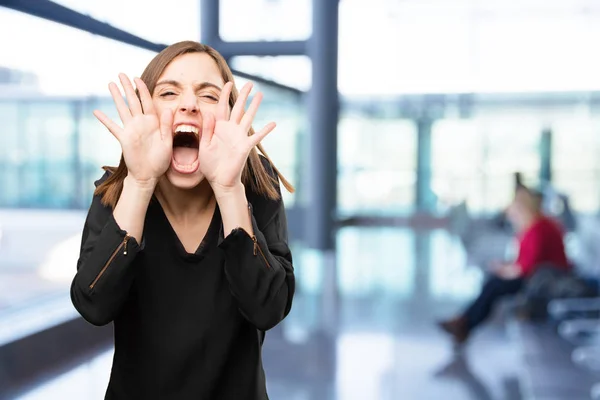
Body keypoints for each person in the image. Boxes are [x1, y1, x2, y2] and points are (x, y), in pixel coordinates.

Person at [70, 40, 296, 400]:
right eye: (169, 92)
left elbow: (268, 308)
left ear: (229, 115)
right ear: (145, 110)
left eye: (208, 96)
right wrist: (140, 184)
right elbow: (93, 305)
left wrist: (228, 190)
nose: (189, 104)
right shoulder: (116, 194)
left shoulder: (257, 190)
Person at [438, 186, 569, 345]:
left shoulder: (539, 229)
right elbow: (525, 261)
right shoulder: (535, 226)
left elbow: (527, 268)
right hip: (539, 276)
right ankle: (464, 321)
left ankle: (464, 323)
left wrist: (505, 270)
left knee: (494, 285)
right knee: (493, 282)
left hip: (546, 280)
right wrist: (505, 268)